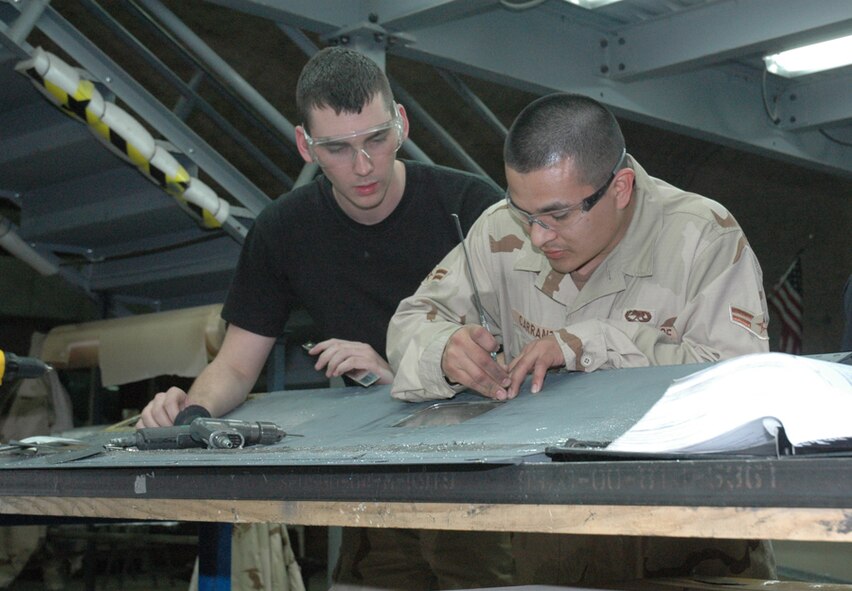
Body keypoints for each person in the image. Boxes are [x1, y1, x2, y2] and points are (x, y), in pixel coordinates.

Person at [137, 47, 513, 589]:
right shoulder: (283, 230)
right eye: (336, 148)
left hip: (479, 474)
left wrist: (398, 372)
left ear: (401, 123)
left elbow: (519, 350)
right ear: (304, 146)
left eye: (376, 140)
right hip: (373, 481)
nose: (362, 166)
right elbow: (237, 366)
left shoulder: (472, 208)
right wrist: (192, 419)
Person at [388, 93, 775, 584]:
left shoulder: (703, 237)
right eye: (522, 212)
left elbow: (740, 387)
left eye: (557, 216)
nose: (536, 237)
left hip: (692, 540)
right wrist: (443, 350)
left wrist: (590, 343)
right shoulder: (497, 232)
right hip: (557, 542)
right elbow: (411, 321)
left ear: (620, 187)